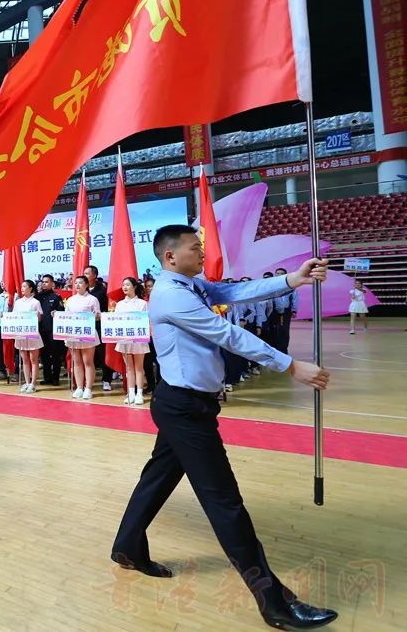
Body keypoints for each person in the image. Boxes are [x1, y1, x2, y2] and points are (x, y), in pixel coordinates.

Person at [110, 224, 336, 630]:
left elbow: (232, 292)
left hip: (185, 404)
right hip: (183, 410)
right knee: (225, 503)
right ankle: (274, 602)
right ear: (170, 257)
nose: (202, 253)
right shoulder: (171, 295)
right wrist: (290, 365)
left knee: (157, 480)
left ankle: (127, 547)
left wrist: (292, 279)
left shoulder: (190, 285)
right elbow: (227, 333)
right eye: (195, 248)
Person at [64, 276, 101, 400]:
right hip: (73, 334)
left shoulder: (92, 299)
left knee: (88, 362)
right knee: (77, 362)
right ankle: (79, 387)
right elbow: (66, 316)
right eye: (76, 283)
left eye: (80, 283)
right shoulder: (70, 300)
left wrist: (94, 316)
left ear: (86, 285)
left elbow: (98, 316)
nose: (77, 285)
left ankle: (88, 388)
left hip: (87, 333)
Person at [114, 277, 149, 405]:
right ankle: (131, 393)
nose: (125, 287)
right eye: (123, 285)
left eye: (128, 285)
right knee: (129, 368)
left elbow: (145, 321)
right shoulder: (119, 304)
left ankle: (139, 393)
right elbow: (116, 321)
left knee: (139, 367)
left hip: (138, 339)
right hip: (124, 339)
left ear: (134, 287)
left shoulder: (142, 303)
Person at [85, 266, 113, 392]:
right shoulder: (83, 292)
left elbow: (108, 308)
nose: (85, 276)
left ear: (94, 275)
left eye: (87, 273)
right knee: (87, 356)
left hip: (99, 326)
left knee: (103, 354)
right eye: (84, 273)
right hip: (85, 328)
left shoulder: (103, 291)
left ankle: (106, 380)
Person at [13, 280, 43, 393]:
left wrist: (35, 316)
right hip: (21, 333)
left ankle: (33, 383)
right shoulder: (18, 302)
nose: (22, 288)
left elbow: (39, 318)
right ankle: (27, 382)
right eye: (21, 286)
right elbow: (14, 317)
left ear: (30, 288)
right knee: (24, 359)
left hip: (32, 333)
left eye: (24, 286)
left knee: (33, 359)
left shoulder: (35, 302)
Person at [36, 275, 64, 385]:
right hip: (41, 330)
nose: (44, 284)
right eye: (43, 282)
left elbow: (62, 312)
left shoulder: (56, 297)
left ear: (52, 283)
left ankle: (55, 378)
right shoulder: (38, 297)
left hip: (53, 330)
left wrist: (57, 313)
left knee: (55, 355)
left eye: (46, 282)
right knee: (44, 355)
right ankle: (47, 377)